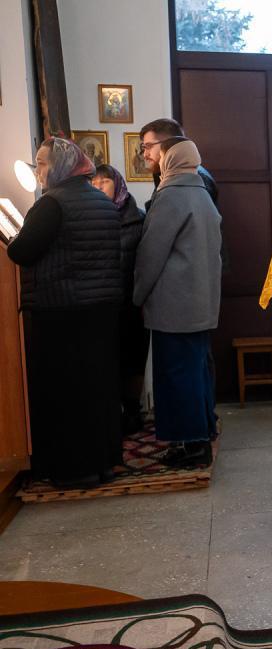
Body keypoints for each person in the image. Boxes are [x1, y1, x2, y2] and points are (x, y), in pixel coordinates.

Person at [6, 138, 123, 488]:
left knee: (66, 393)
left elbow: (21, 252)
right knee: (98, 388)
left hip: (61, 310)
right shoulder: (101, 201)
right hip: (101, 309)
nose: (37, 171)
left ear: (59, 166)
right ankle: (104, 463)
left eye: (42, 164)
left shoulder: (52, 203)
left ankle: (75, 470)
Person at [133, 137, 222, 467]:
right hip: (200, 303)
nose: (156, 161)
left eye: (160, 155)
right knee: (195, 373)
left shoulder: (171, 195)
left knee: (176, 376)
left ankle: (191, 446)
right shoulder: (202, 193)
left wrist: (138, 294)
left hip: (174, 306)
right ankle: (202, 433)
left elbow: (151, 254)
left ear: (171, 159)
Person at [92, 163, 148, 435]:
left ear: (117, 184)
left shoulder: (138, 218)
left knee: (133, 360)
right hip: (103, 302)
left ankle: (133, 411)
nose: (98, 187)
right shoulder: (92, 217)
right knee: (108, 360)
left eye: (104, 182)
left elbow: (146, 261)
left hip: (133, 301)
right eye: (93, 183)